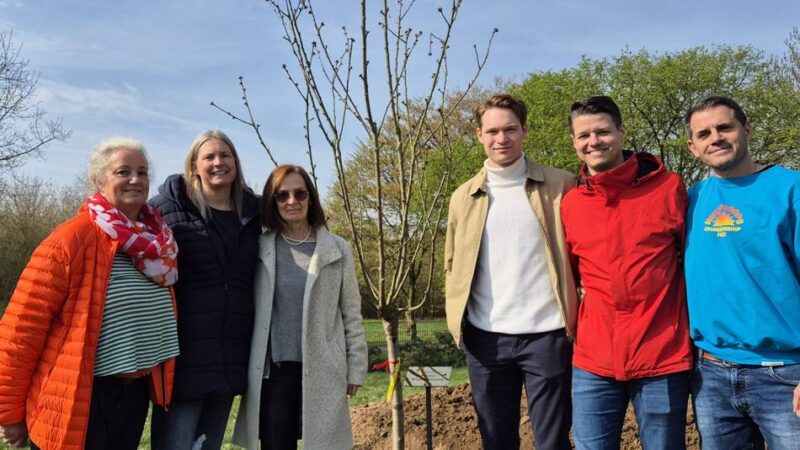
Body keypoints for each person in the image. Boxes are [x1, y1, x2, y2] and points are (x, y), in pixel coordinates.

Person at [0, 138, 179, 450]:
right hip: (77, 397)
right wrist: (8, 413)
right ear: (99, 180)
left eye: (142, 171)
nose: (135, 179)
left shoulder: (159, 245)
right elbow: (21, 331)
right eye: (123, 171)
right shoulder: (70, 239)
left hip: (133, 396)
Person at [444, 94, 577, 450]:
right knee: (496, 440)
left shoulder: (562, 185)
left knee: (552, 442)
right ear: (479, 135)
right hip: (486, 339)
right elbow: (452, 264)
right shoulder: (462, 197)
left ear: (524, 131)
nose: (501, 138)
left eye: (509, 129)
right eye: (492, 131)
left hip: (547, 335)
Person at [560, 96, 692, 450]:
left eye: (602, 131)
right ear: (574, 143)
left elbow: (691, 263)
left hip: (662, 354)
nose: (594, 141)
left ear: (621, 131)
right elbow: (572, 274)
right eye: (583, 135)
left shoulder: (670, 188)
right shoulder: (571, 203)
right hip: (594, 359)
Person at [684, 95, 800, 450]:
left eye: (724, 127)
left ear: (746, 129)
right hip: (711, 374)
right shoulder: (691, 198)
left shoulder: (789, 189)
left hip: (783, 373)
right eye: (703, 133)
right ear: (692, 147)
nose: (715, 138)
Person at [232, 164, 367, 450]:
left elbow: (352, 315)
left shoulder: (338, 249)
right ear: (272, 201)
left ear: (311, 198)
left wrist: (356, 368)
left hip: (324, 368)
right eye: (282, 196)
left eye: (300, 193)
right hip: (275, 372)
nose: (292, 201)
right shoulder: (261, 247)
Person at [149, 129, 260, 449]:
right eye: (209, 156)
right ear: (194, 165)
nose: (218, 162)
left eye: (225, 155)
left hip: (229, 358)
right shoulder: (165, 211)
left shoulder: (252, 215)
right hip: (183, 361)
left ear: (236, 163)